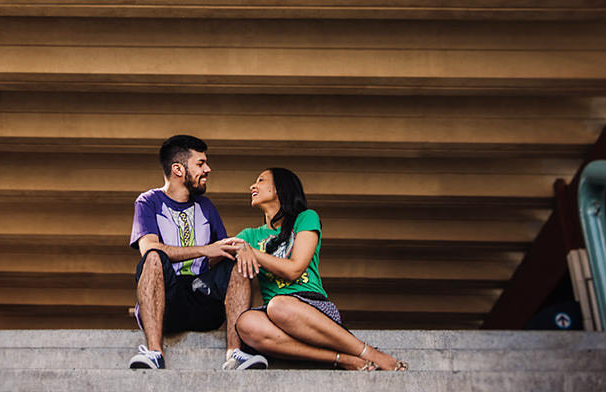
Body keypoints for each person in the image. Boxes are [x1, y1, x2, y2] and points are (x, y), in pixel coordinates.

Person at [232, 167, 409, 371]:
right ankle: (341, 358)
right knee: (246, 323)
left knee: (279, 305)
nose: (253, 186)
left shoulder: (305, 218)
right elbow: (215, 257)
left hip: (311, 307)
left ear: (280, 189)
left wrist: (250, 252)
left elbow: (294, 269)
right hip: (274, 316)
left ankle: (369, 352)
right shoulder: (250, 235)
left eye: (261, 180)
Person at [128, 134, 269, 370]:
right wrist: (204, 249)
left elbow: (220, 252)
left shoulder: (206, 206)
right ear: (178, 169)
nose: (208, 169)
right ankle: (154, 353)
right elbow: (149, 248)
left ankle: (235, 353)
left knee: (237, 263)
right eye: (201, 164)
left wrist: (241, 248)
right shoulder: (148, 201)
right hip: (166, 305)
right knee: (153, 257)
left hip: (202, 300)